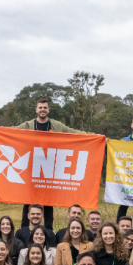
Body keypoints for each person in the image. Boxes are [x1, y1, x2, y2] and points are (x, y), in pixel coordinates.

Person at [14, 98, 89, 229]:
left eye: (45, 107)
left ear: (48, 110)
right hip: (32, 168)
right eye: (40, 107)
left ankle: (49, 230)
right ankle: (24, 229)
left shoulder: (56, 125)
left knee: (48, 201)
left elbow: (74, 132)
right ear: (36, 110)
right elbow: (10, 132)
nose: (42, 110)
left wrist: (95, 136)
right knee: (28, 200)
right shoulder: (28, 125)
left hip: (49, 168)